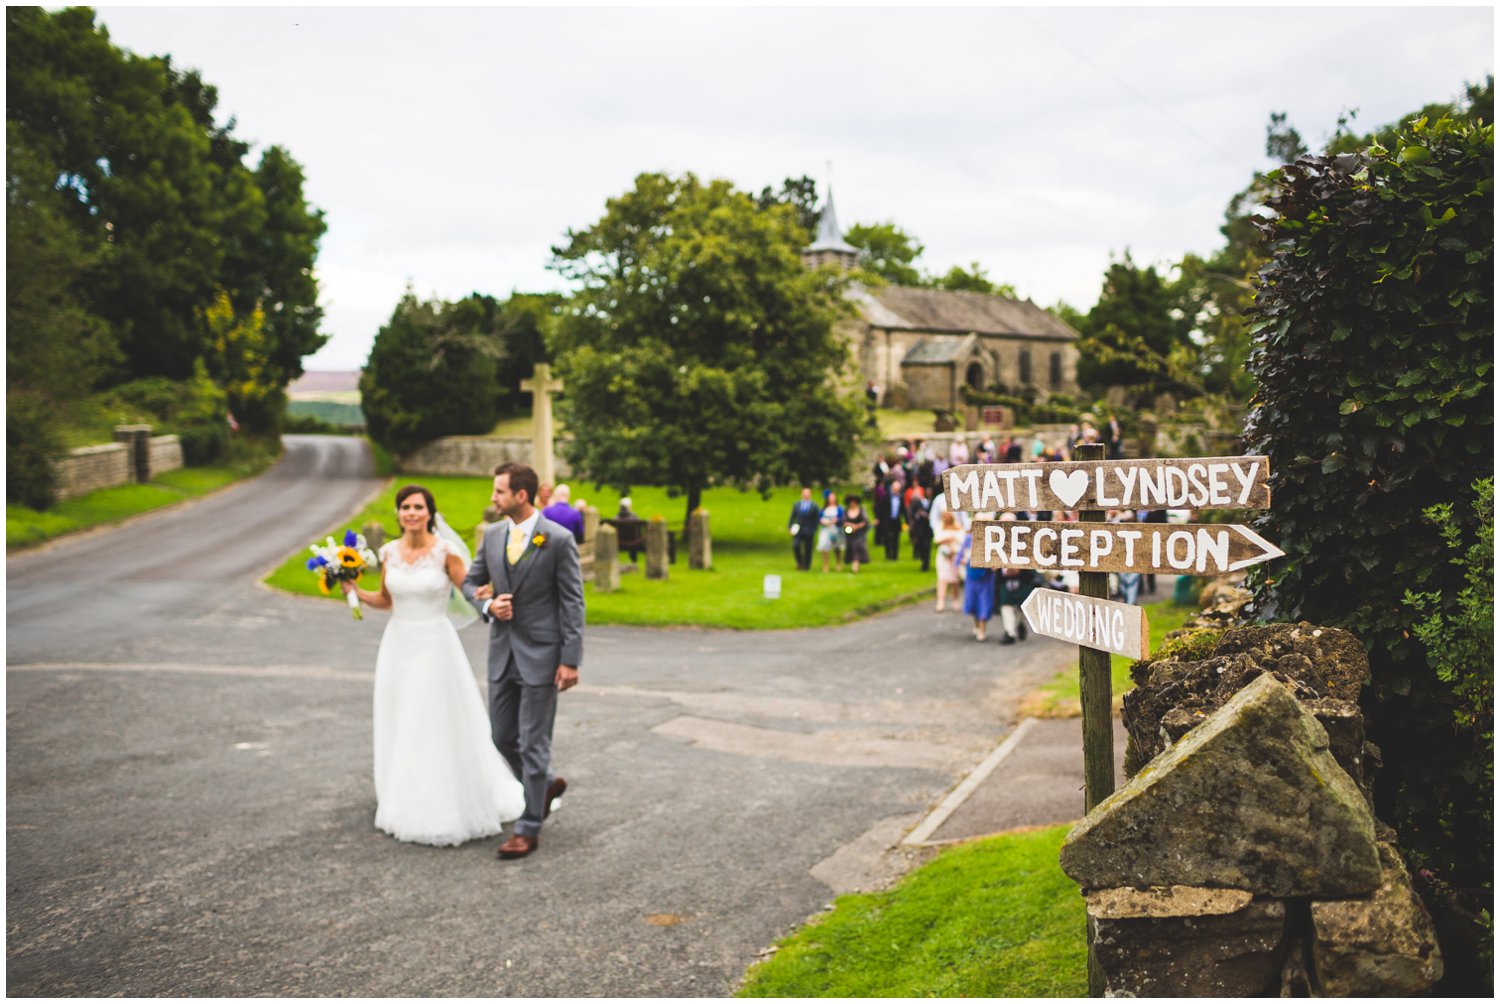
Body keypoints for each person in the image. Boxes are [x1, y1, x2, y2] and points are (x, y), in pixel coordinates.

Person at [342, 484, 525, 846]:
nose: (411, 513)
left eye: (418, 507)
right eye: (405, 507)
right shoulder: (389, 552)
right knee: (402, 718)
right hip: (398, 645)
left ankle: (445, 803)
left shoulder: (445, 552)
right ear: (398, 513)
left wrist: (488, 598)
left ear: (430, 512)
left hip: (435, 646)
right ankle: (406, 797)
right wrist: (353, 590)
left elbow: (469, 589)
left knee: (430, 718)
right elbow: (384, 599)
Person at [461, 463, 585, 861]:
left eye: (499, 492)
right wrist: (486, 604)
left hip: (543, 656)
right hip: (502, 654)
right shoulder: (493, 535)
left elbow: (572, 602)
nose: (493, 498)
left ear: (521, 495)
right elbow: (469, 581)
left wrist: (570, 659)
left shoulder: (559, 540)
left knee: (534, 743)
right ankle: (545, 784)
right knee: (501, 737)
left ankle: (528, 827)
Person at [994, 514, 1040, 644]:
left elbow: (1032, 559)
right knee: (1006, 606)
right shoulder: (995, 540)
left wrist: (1019, 569)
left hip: (1023, 578)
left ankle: (1020, 624)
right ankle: (1010, 633)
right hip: (1004, 579)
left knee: (1021, 607)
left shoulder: (1024, 539)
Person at [958, 527, 998, 642]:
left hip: (986, 578)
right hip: (971, 577)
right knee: (973, 602)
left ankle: (982, 629)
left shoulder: (992, 542)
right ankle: (976, 624)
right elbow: (960, 556)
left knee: (984, 603)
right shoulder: (968, 540)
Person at [933, 510, 964, 612]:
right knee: (942, 577)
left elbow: (961, 540)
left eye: (947, 516)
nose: (945, 518)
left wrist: (952, 544)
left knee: (954, 579)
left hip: (954, 554)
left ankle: (955, 600)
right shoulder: (940, 526)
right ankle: (940, 601)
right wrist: (949, 538)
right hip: (943, 556)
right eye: (943, 516)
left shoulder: (958, 526)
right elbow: (936, 539)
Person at [787, 488, 819, 571]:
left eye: (807, 494)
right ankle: (800, 562)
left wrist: (814, 529)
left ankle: (806, 566)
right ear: (801, 494)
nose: (806, 495)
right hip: (798, 529)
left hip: (809, 530)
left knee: (808, 548)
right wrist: (790, 527)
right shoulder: (796, 505)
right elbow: (792, 517)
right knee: (796, 545)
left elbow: (816, 519)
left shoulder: (814, 506)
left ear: (810, 495)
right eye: (804, 494)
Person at [815, 491, 844, 573]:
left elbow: (842, 518)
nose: (831, 499)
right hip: (826, 529)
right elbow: (819, 518)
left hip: (836, 529)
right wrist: (823, 522)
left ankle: (838, 563)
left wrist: (835, 521)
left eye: (833, 498)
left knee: (837, 547)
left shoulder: (839, 508)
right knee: (824, 546)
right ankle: (826, 564)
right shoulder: (824, 509)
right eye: (830, 498)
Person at [842, 495, 871, 573]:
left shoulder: (861, 511)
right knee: (851, 547)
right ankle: (853, 562)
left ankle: (855, 564)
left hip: (860, 532)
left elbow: (865, 521)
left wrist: (857, 526)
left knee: (857, 546)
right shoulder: (846, 511)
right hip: (849, 532)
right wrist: (850, 526)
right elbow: (843, 521)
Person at [907, 485, 933, 572]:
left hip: (928, 528)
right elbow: (912, 514)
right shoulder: (917, 502)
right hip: (919, 528)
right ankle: (923, 560)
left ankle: (926, 564)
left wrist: (928, 516)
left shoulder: (933, 502)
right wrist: (918, 515)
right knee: (921, 546)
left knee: (927, 546)